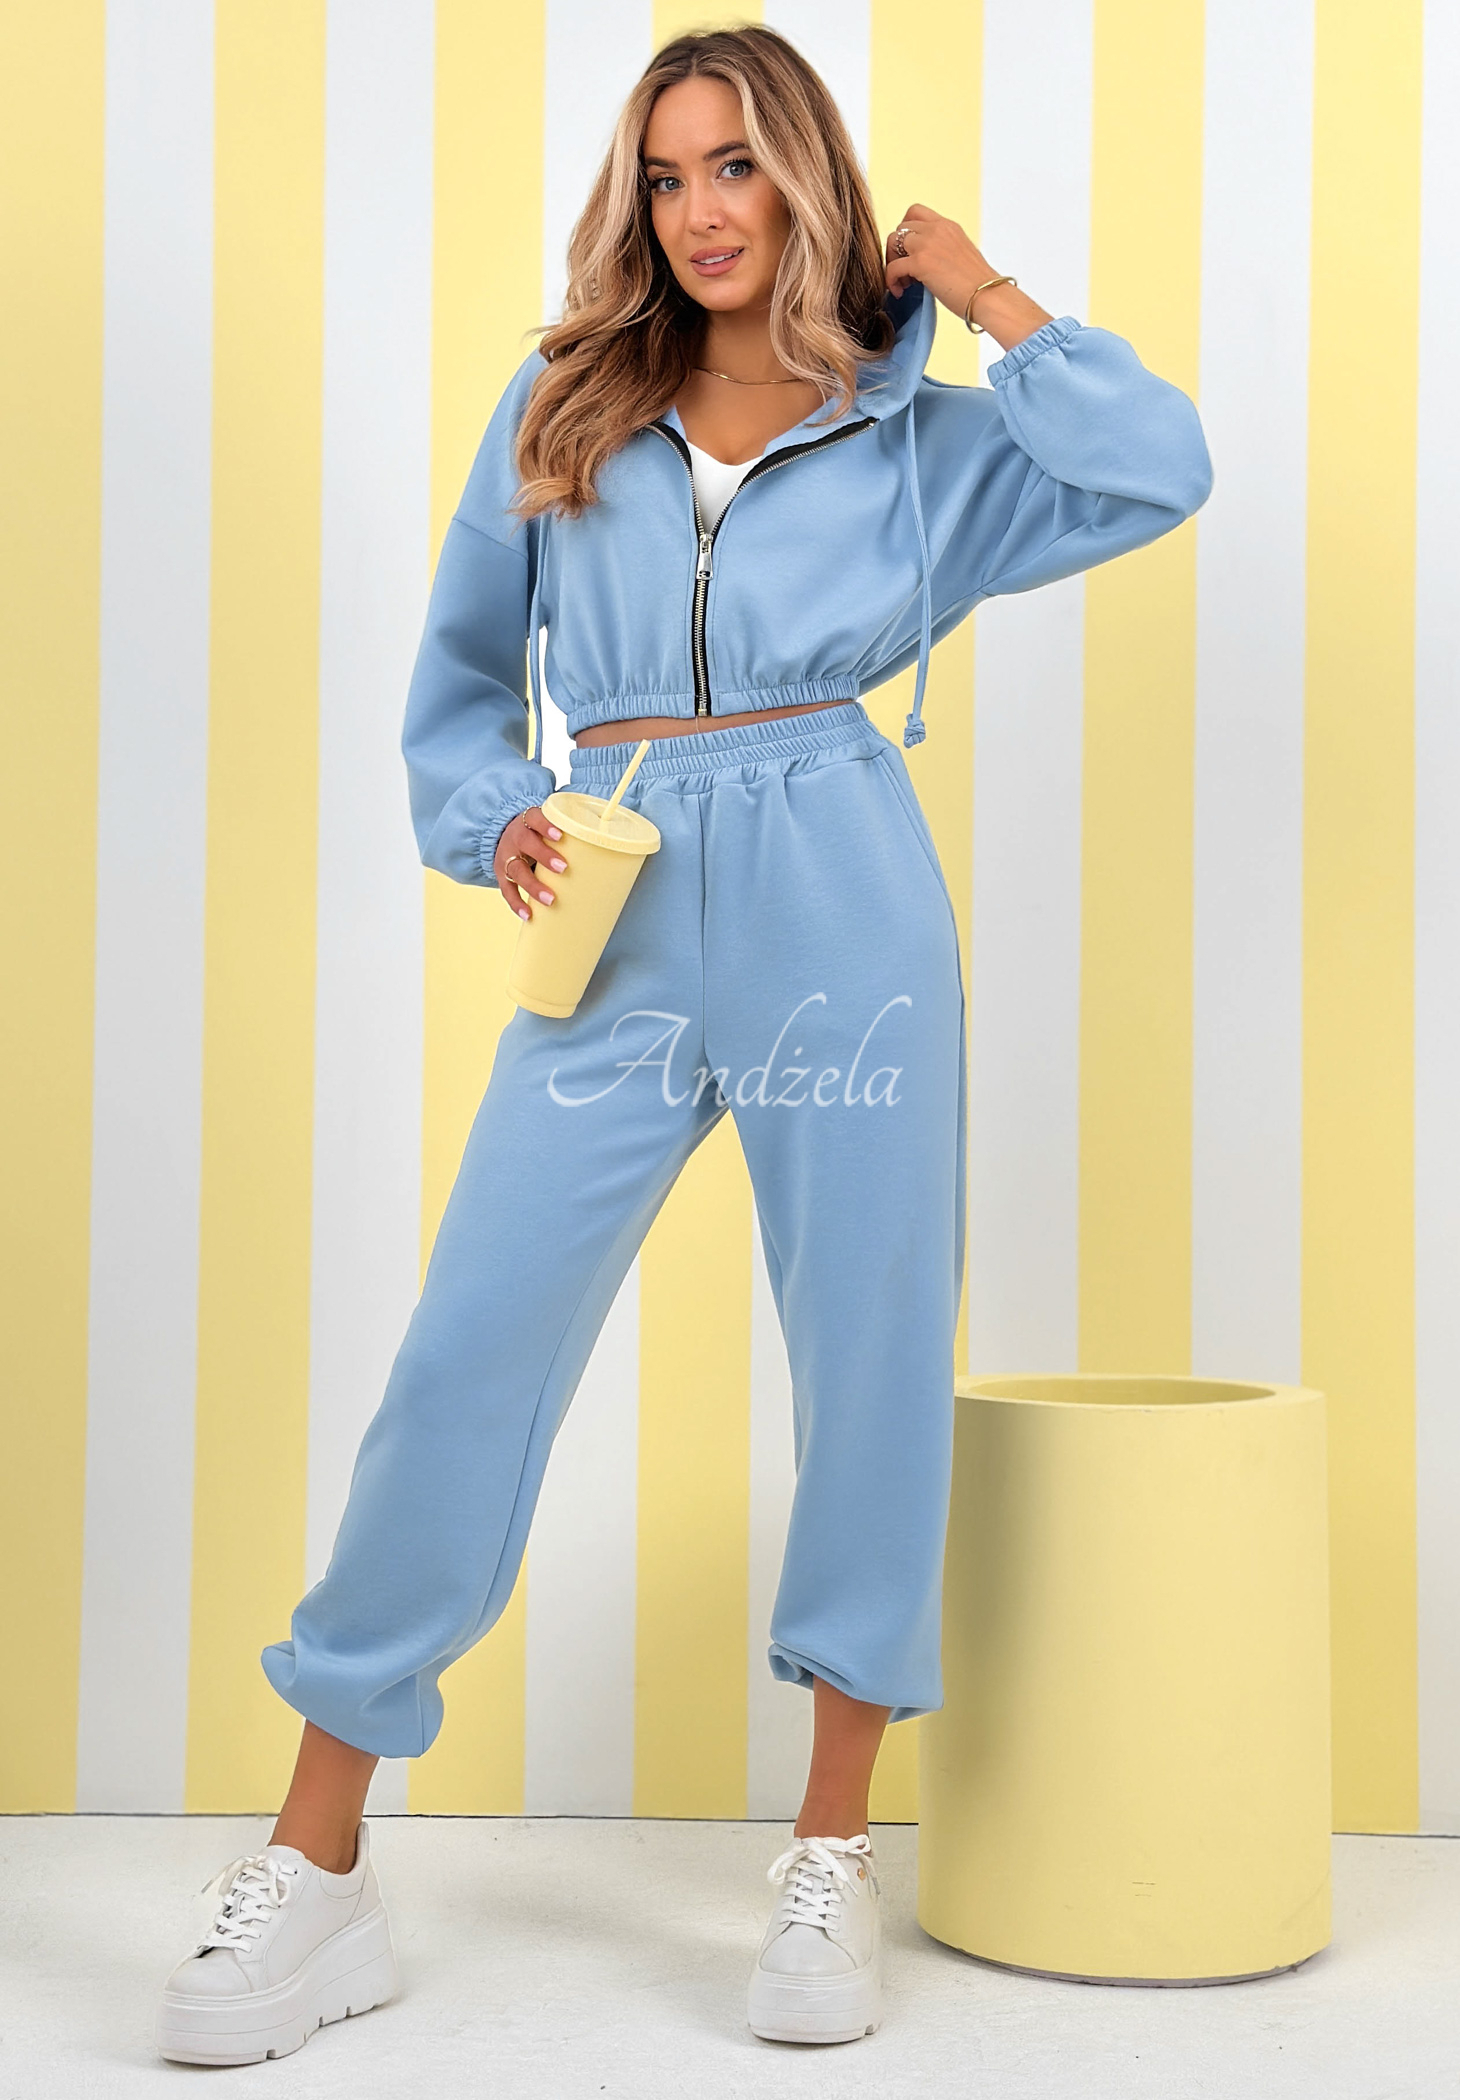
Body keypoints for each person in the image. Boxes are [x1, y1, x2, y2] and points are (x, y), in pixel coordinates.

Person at [155, 24, 1211, 2066]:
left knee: (870, 1351)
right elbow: (462, 680)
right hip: (617, 893)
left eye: (734, 165)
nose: (701, 210)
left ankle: (830, 1854)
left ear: (805, 176)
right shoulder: (568, 402)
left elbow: (1156, 465)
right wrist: (496, 815)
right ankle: (317, 1860)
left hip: (842, 891)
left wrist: (987, 293)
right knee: (471, 1346)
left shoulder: (924, 442)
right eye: (665, 174)